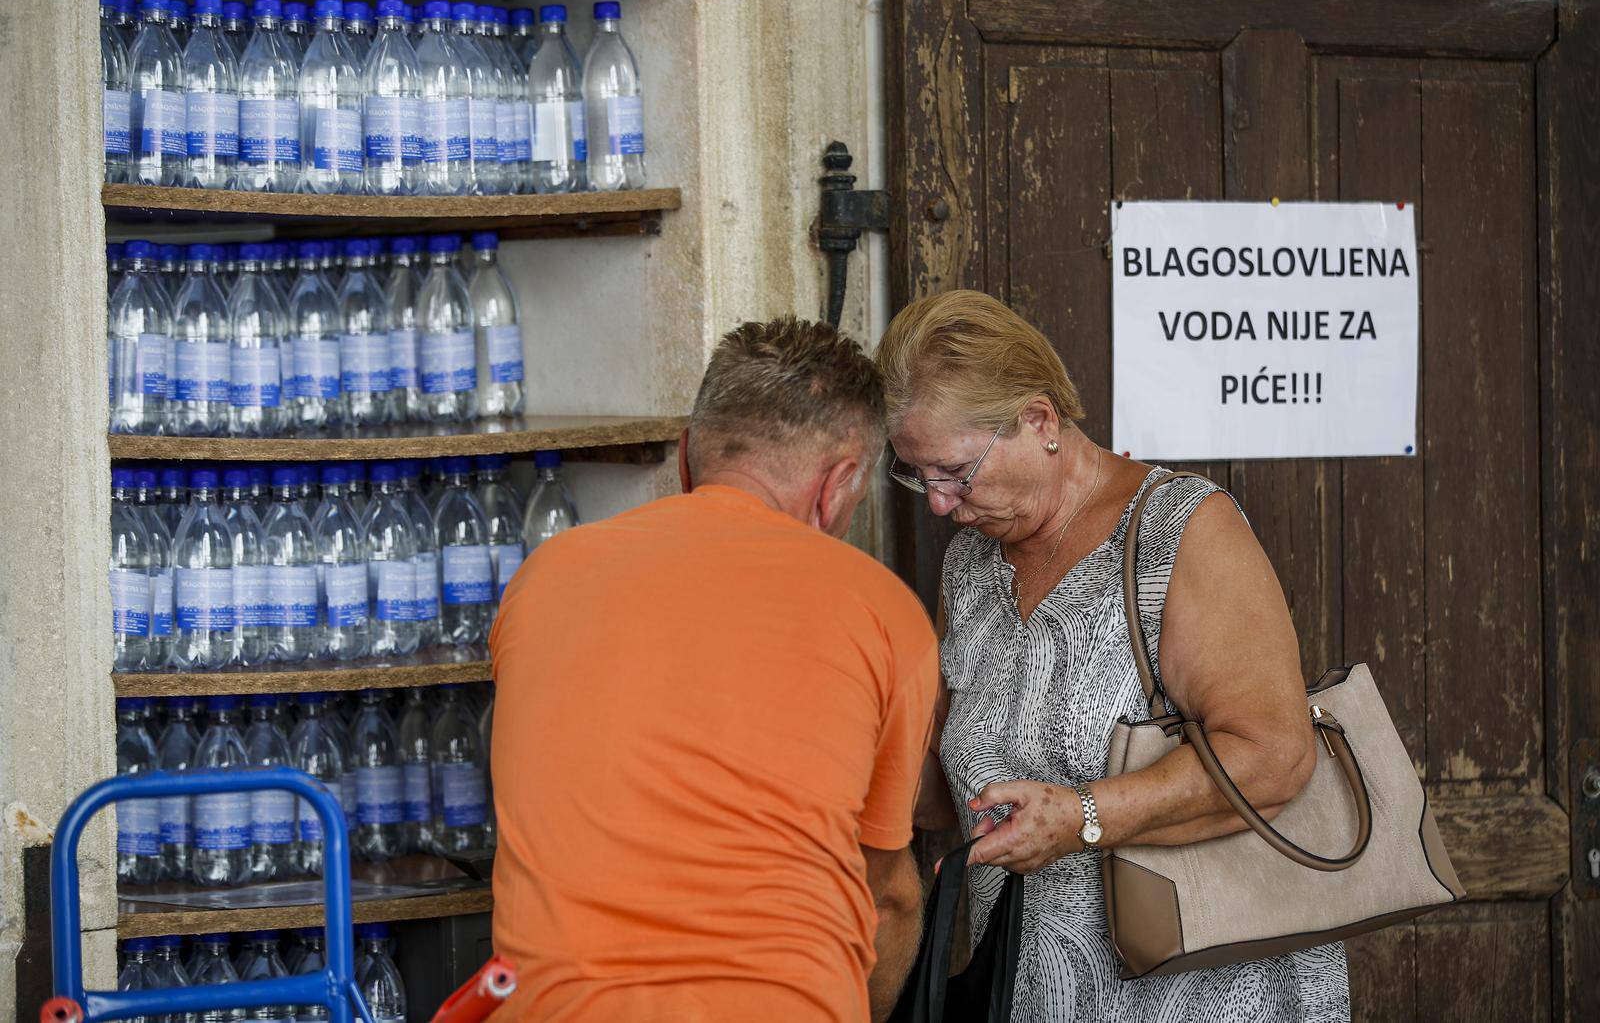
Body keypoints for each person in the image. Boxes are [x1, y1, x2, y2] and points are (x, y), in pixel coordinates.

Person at [877, 290, 1350, 1022]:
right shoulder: (970, 562)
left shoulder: (1182, 529)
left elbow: (1275, 755)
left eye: (955, 472)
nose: (938, 502)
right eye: (916, 475)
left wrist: (1083, 816)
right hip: (1034, 990)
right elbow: (943, 784)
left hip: (1199, 992)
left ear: (1038, 422)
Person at [489, 318, 939, 1022]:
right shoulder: (883, 611)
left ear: (686, 456)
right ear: (841, 483)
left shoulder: (543, 579)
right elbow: (879, 889)